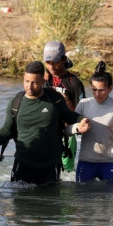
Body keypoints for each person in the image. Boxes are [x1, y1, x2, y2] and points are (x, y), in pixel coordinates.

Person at [0, 61, 87, 184]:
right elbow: (6, 131)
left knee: (50, 202)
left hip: (50, 165)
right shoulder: (16, 103)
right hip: (23, 164)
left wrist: (81, 120)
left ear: (43, 80)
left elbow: (69, 116)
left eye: (34, 82)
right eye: (27, 81)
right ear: (23, 78)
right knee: (20, 201)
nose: (29, 86)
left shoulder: (54, 99)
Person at [69, 61, 113, 183]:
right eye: (94, 89)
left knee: (111, 200)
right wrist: (78, 128)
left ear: (110, 88)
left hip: (109, 163)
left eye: (102, 90)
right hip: (86, 162)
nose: (97, 94)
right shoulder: (83, 104)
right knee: (82, 200)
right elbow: (67, 131)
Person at [43, 40, 85, 172]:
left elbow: (80, 114)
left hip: (67, 133)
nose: (52, 66)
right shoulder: (43, 80)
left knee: (65, 171)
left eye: (55, 62)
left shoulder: (74, 83)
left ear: (63, 60)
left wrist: (66, 102)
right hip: (47, 130)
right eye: (48, 63)